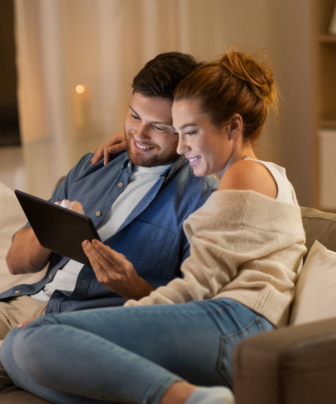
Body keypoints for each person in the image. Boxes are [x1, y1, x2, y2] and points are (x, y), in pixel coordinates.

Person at [1, 47, 306, 404]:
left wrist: (95, 325)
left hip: (231, 324)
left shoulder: (238, 176)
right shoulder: (251, 176)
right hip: (222, 324)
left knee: (29, 341)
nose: (182, 146)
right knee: (17, 355)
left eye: (181, 131)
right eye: (178, 132)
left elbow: (197, 288)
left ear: (233, 126)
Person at [0, 52, 218, 401]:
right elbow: (15, 262)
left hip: (83, 327)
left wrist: (131, 285)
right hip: (23, 303)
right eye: (134, 116)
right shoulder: (94, 164)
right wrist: (56, 228)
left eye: (160, 126)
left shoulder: (201, 200)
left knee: (20, 351)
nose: (140, 134)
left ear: (186, 124)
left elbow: (192, 316)